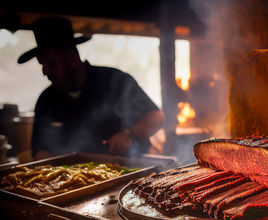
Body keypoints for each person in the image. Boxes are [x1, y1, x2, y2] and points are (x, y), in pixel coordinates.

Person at [17, 16, 164, 160]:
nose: (46, 71)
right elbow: (40, 149)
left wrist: (129, 134)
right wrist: (50, 169)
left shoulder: (115, 80)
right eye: (42, 65)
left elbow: (156, 117)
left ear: (72, 59)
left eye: (51, 63)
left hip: (128, 168)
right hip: (73, 179)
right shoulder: (46, 99)